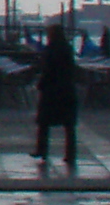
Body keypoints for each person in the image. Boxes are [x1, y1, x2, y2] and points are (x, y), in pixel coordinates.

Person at [32, 20, 81, 169]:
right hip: (67, 89)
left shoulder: (50, 49)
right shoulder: (67, 49)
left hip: (51, 91)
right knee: (69, 125)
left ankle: (42, 151)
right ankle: (70, 154)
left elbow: (47, 70)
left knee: (44, 123)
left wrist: (40, 84)